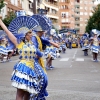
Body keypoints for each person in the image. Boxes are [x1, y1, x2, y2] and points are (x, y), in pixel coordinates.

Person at [0, 19, 44, 100]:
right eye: (30, 33)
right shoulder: (18, 43)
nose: (32, 34)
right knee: (20, 94)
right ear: (25, 34)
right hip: (23, 68)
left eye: (32, 32)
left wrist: (39, 54)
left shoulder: (32, 44)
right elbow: (7, 31)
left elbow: (40, 54)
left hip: (31, 69)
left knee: (28, 93)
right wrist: (0, 22)